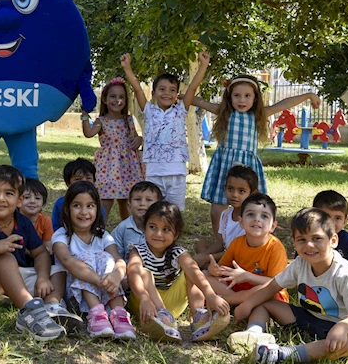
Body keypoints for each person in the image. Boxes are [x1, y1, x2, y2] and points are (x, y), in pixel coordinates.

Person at [228, 208, 348, 364]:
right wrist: (247, 304)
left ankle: (284, 355)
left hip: (342, 328)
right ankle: (254, 334)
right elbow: (272, 287)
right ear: (295, 243)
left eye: (317, 238)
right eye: (302, 240)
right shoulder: (300, 264)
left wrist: (343, 327)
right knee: (263, 301)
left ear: (333, 241)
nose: (309, 245)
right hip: (309, 317)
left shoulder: (346, 274)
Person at [193, 74, 320, 233]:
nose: (242, 100)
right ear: (229, 96)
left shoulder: (257, 115)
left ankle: (247, 237)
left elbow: (284, 103)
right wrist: (180, 96)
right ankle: (220, 240)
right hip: (225, 164)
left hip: (248, 167)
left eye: (247, 96)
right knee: (218, 205)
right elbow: (198, 101)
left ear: (255, 98)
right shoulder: (224, 112)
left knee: (251, 205)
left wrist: (309, 95)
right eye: (237, 95)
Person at [0, 165, 67, 341]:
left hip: (11, 281)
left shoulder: (23, 222)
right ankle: (28, 313)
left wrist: (42, 277)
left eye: (9, 193)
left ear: (19, 200)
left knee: (57, 270)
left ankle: (52, 308)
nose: (1, 199)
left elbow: (40, 253)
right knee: (4, 257)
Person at [127, 201, 230, 342]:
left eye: (166, 229)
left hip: (173, 305)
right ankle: (162, 315)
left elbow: (194, 271)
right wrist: (144, 298)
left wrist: (210, 294)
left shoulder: (177, 252)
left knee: (190, 270)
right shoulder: (137, 250)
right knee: (143, 273)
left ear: (176, 234)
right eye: (152, 227)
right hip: (144, 303)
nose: (158, 234)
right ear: (144, 228)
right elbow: (132, 273)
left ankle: (199, 318)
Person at [121, 50, 210, 210]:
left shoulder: (180, 110)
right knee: (153, 211)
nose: (167, 93)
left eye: (171, 90)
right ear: (154, 94)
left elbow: (192, 88)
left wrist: (203, 65)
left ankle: (172, 235)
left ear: (177, 95)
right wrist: (127, 68)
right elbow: (138, 89)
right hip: (154, 172)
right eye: (162, 89)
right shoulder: (149, 111)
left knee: (174, 212)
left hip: (177, 172)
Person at [52, 181, 135, 339]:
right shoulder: (61, 236)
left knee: (108, 259)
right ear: (67, 210)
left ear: (98, 209)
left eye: (90, 206)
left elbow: (118, 259)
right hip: (74, 294)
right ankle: (96, 314)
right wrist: (98, 279)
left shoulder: (103, 235)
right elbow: (67, 261)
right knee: (88, 258)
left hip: (104, 290)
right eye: (77, 206)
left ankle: (119, 315)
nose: (84, 212)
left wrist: (116, 275)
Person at [205, 193, 289, 305]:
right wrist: (213, 270)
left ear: (273, 226)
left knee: (262, 289)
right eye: (251, 214)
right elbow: (223, 269)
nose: (257, 220)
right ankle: (234, 299)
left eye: (264, 216)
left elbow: (276, 283)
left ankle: (227, 300)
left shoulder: (275, 247)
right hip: (240, 286)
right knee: (205, 274)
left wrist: (247, 276)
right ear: (241, 222)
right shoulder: (237, 243)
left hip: (265, 292)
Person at [81, 77, 144, 220]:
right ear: (104, 99)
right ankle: (98, 230)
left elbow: (135, 137)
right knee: (106, 200)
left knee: (126, 201)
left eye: (122, 97)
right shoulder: (101, 121)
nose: (118, 100)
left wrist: (140, 139)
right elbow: (89, 133)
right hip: (108, 167)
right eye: (113, 96)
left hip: (128, 167)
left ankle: (127, 229)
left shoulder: (128, 120)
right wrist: (85, 117)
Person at [193, 165, 259, 269]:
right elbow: (220, 243)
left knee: (208, 260)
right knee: (201, 244)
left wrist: (205, 258)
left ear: (252, 193)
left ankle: (209, 268)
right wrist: (202, 256)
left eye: (241, 191)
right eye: (230, 189)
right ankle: (209, 267)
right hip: (225, 253)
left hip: (239, 259)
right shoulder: (225, 214)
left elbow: (238, 252)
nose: (234, 195)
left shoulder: (251, 220)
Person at [111, 181, 163, 262]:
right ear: (129, 206)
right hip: (129, 271)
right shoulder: (122, 228)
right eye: (137, 199)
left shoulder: (162, 228)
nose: (142, 203)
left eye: (148, 200)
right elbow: (115, 256)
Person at [50, 158, 106, 231]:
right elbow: (56, 227)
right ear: (68, 183)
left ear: (94, 181)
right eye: (78, 179)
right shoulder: (60, 203)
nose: (83, 182)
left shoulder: (97, 205)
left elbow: (100, 228)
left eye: (88, 179)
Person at [19, 178, 54, 252]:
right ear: (18, 201)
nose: (32, 201)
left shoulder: (45, 221)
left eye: (37, 198)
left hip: (39, 256)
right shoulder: (12, 219)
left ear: (43, 204)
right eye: (27, 197)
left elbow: (48, 248)